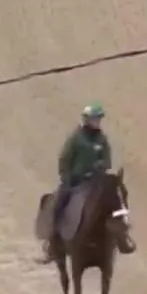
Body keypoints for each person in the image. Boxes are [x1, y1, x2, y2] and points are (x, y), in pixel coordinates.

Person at [42, 102, 113, 261]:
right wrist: (67, 178)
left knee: (114, 202)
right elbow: (64, 159)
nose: (98, 122)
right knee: (59, 204)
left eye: (99, 119)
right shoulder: (76, 138)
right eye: (95, 119)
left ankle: (116, 240)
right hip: (75, 182)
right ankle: (53, 243)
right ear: (87, 120)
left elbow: (107, 160)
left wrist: (101, 165)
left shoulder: (101, 139)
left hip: (94, 182)